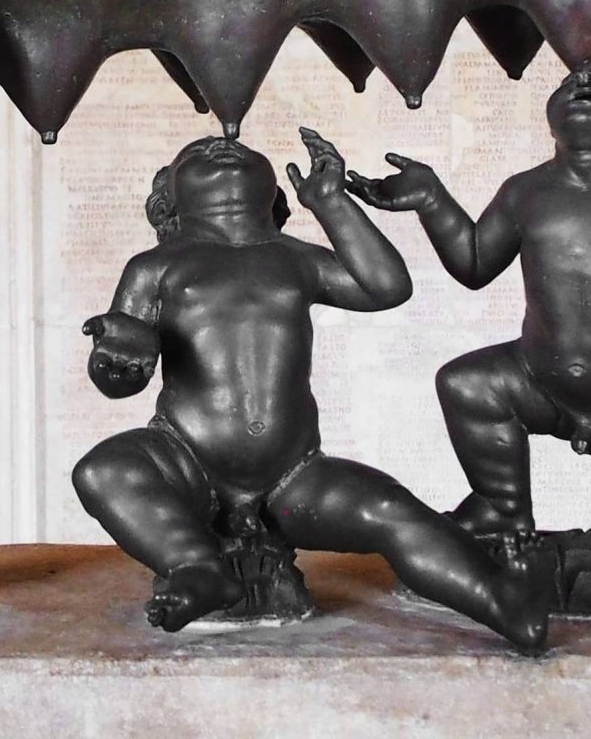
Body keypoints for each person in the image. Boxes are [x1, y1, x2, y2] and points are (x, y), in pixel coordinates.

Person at [73, 129, 550, 652]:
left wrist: (331, 202)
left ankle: (499, 599)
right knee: (103, 470)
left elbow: (385, 287)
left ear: (274, 193)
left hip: (295, 472)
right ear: (170, 200)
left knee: (392, 511)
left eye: (237, 150)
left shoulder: (295, 257)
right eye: (197, 154)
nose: (220, 147)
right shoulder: (155, 267)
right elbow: (120, 367)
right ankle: (195, 565)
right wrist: (119, 361)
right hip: (184, 456)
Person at [348, 48, 591, 551]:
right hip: (535, 378)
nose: (588, 77)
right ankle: (501, 506)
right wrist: (431, 199)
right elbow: (475, 263)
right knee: (467, 385)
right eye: (577, 74)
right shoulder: (526, 191)